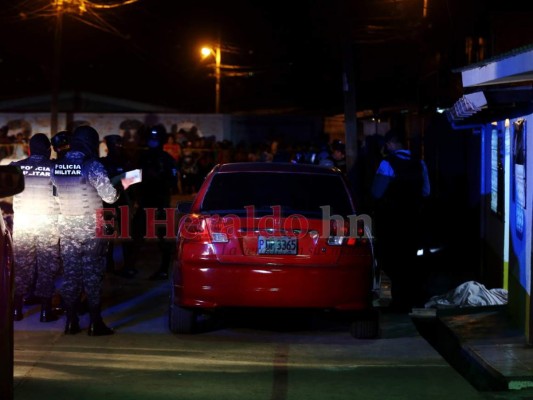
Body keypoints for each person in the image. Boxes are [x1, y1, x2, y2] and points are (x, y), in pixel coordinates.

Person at [51, 125, 134, 336]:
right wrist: (123, 183)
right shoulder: (92, 165)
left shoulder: (57, 165)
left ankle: (71, 323)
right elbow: (110, 197)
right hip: (91, 227)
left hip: (66, 225)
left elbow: (54, 196)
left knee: (70, 275)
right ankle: (96, 323)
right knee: (93, 274)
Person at [370, 129, 430, 311]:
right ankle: (415, 298)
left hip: (392, 222)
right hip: (414, 221)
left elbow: (376, 193)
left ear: (389, 145)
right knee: (412, 261)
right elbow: (426, 192)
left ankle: (399, 302)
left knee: (393, 261)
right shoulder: (420, 163)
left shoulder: (387, 164)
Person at [10, 133, 61, 322]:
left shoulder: (16, 167)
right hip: (47, 221)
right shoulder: (54, 167)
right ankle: (46, 311)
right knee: (47, 266)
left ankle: (16, 309)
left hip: (23, 221)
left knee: (23, 265)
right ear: (48, 149)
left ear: (30, 149)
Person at [133, 124, 178, 280]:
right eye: (150, 139)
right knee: (135, 234)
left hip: (160, 203)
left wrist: (159, 178)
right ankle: (130, 266)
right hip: (145, 201)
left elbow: (173, 182)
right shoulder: (142, 158)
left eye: (155, 139)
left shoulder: (167, 160)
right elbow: (131, 179)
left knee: (164, 238)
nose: (152, 142)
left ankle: (165, 269)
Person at [100, 134, 138, 278]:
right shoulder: (103, 162)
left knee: (126, 235)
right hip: (108, 202)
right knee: (107, 235)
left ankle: (128, 266)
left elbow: (135, 179)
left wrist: (133, 199)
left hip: (123, 201)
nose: (118, 146)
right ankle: (109, 264)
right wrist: (120, 179)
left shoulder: (127, 161)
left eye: (119, 144)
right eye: (115, 144)